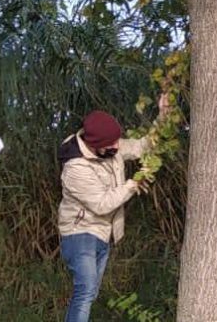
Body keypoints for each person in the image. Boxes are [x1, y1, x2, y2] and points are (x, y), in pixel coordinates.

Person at [57, 109, 152, 322]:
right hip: (79, 233)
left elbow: (139, 147)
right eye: (112, 144)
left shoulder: (108, 146)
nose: (118, 146)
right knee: (86, 291)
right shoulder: (75, 168)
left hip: (103, 232)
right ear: (95, 145)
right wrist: (133, 184)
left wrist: (163, 117)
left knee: (90, 293)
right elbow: (102, 204)